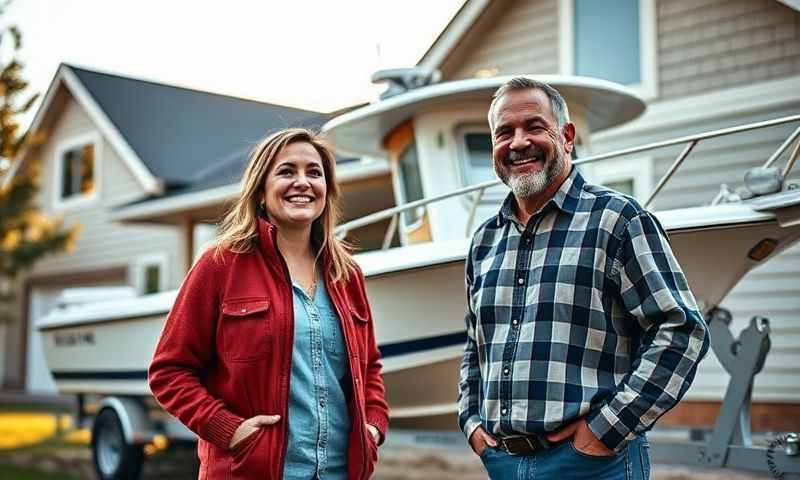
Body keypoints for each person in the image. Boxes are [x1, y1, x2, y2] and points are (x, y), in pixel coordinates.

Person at [458, 77, 710, 479]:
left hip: (593, 465)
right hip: (502, 463)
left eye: (534, 127)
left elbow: (681, 331)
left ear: (567, 136)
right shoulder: (484, 240)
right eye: (504, 132)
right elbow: (476, 342)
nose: (518, 142)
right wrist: (471, 422)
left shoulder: (619, 220)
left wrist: (605, 432)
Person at [149, 128, 389, 480]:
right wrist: (229, 430)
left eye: (314, 172)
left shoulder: (346, 274)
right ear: (261, 189)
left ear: (327, 190)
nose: (303, 182)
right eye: (287, 171)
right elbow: (168, 372)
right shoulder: (221, 264)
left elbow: (369, 369)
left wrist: (373, 427)